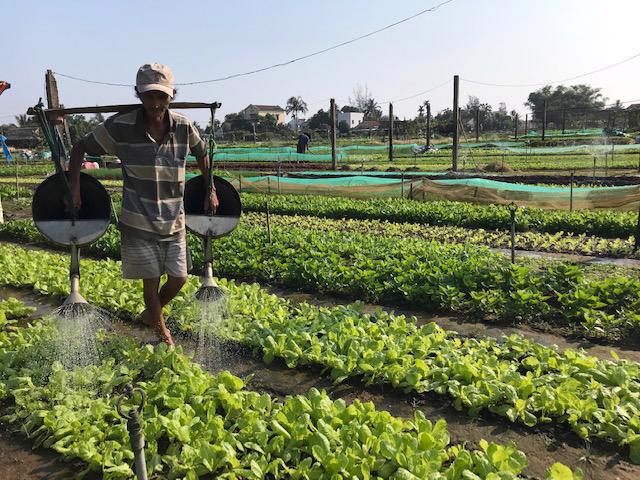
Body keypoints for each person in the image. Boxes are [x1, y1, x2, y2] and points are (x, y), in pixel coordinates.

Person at [66, 63, 218, 346]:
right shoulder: (120, 126)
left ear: (171, 96)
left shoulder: (184, 126)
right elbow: (80, 147)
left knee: (179, 278)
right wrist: (74, 187)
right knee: (151, 281)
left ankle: (151, 314)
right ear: (139, 95)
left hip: (174, 217)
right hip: (138, 218)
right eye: (149, 96)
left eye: (162, 97)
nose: (156, 104)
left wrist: (210, 188)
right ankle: (163, 334)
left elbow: (203, 154)